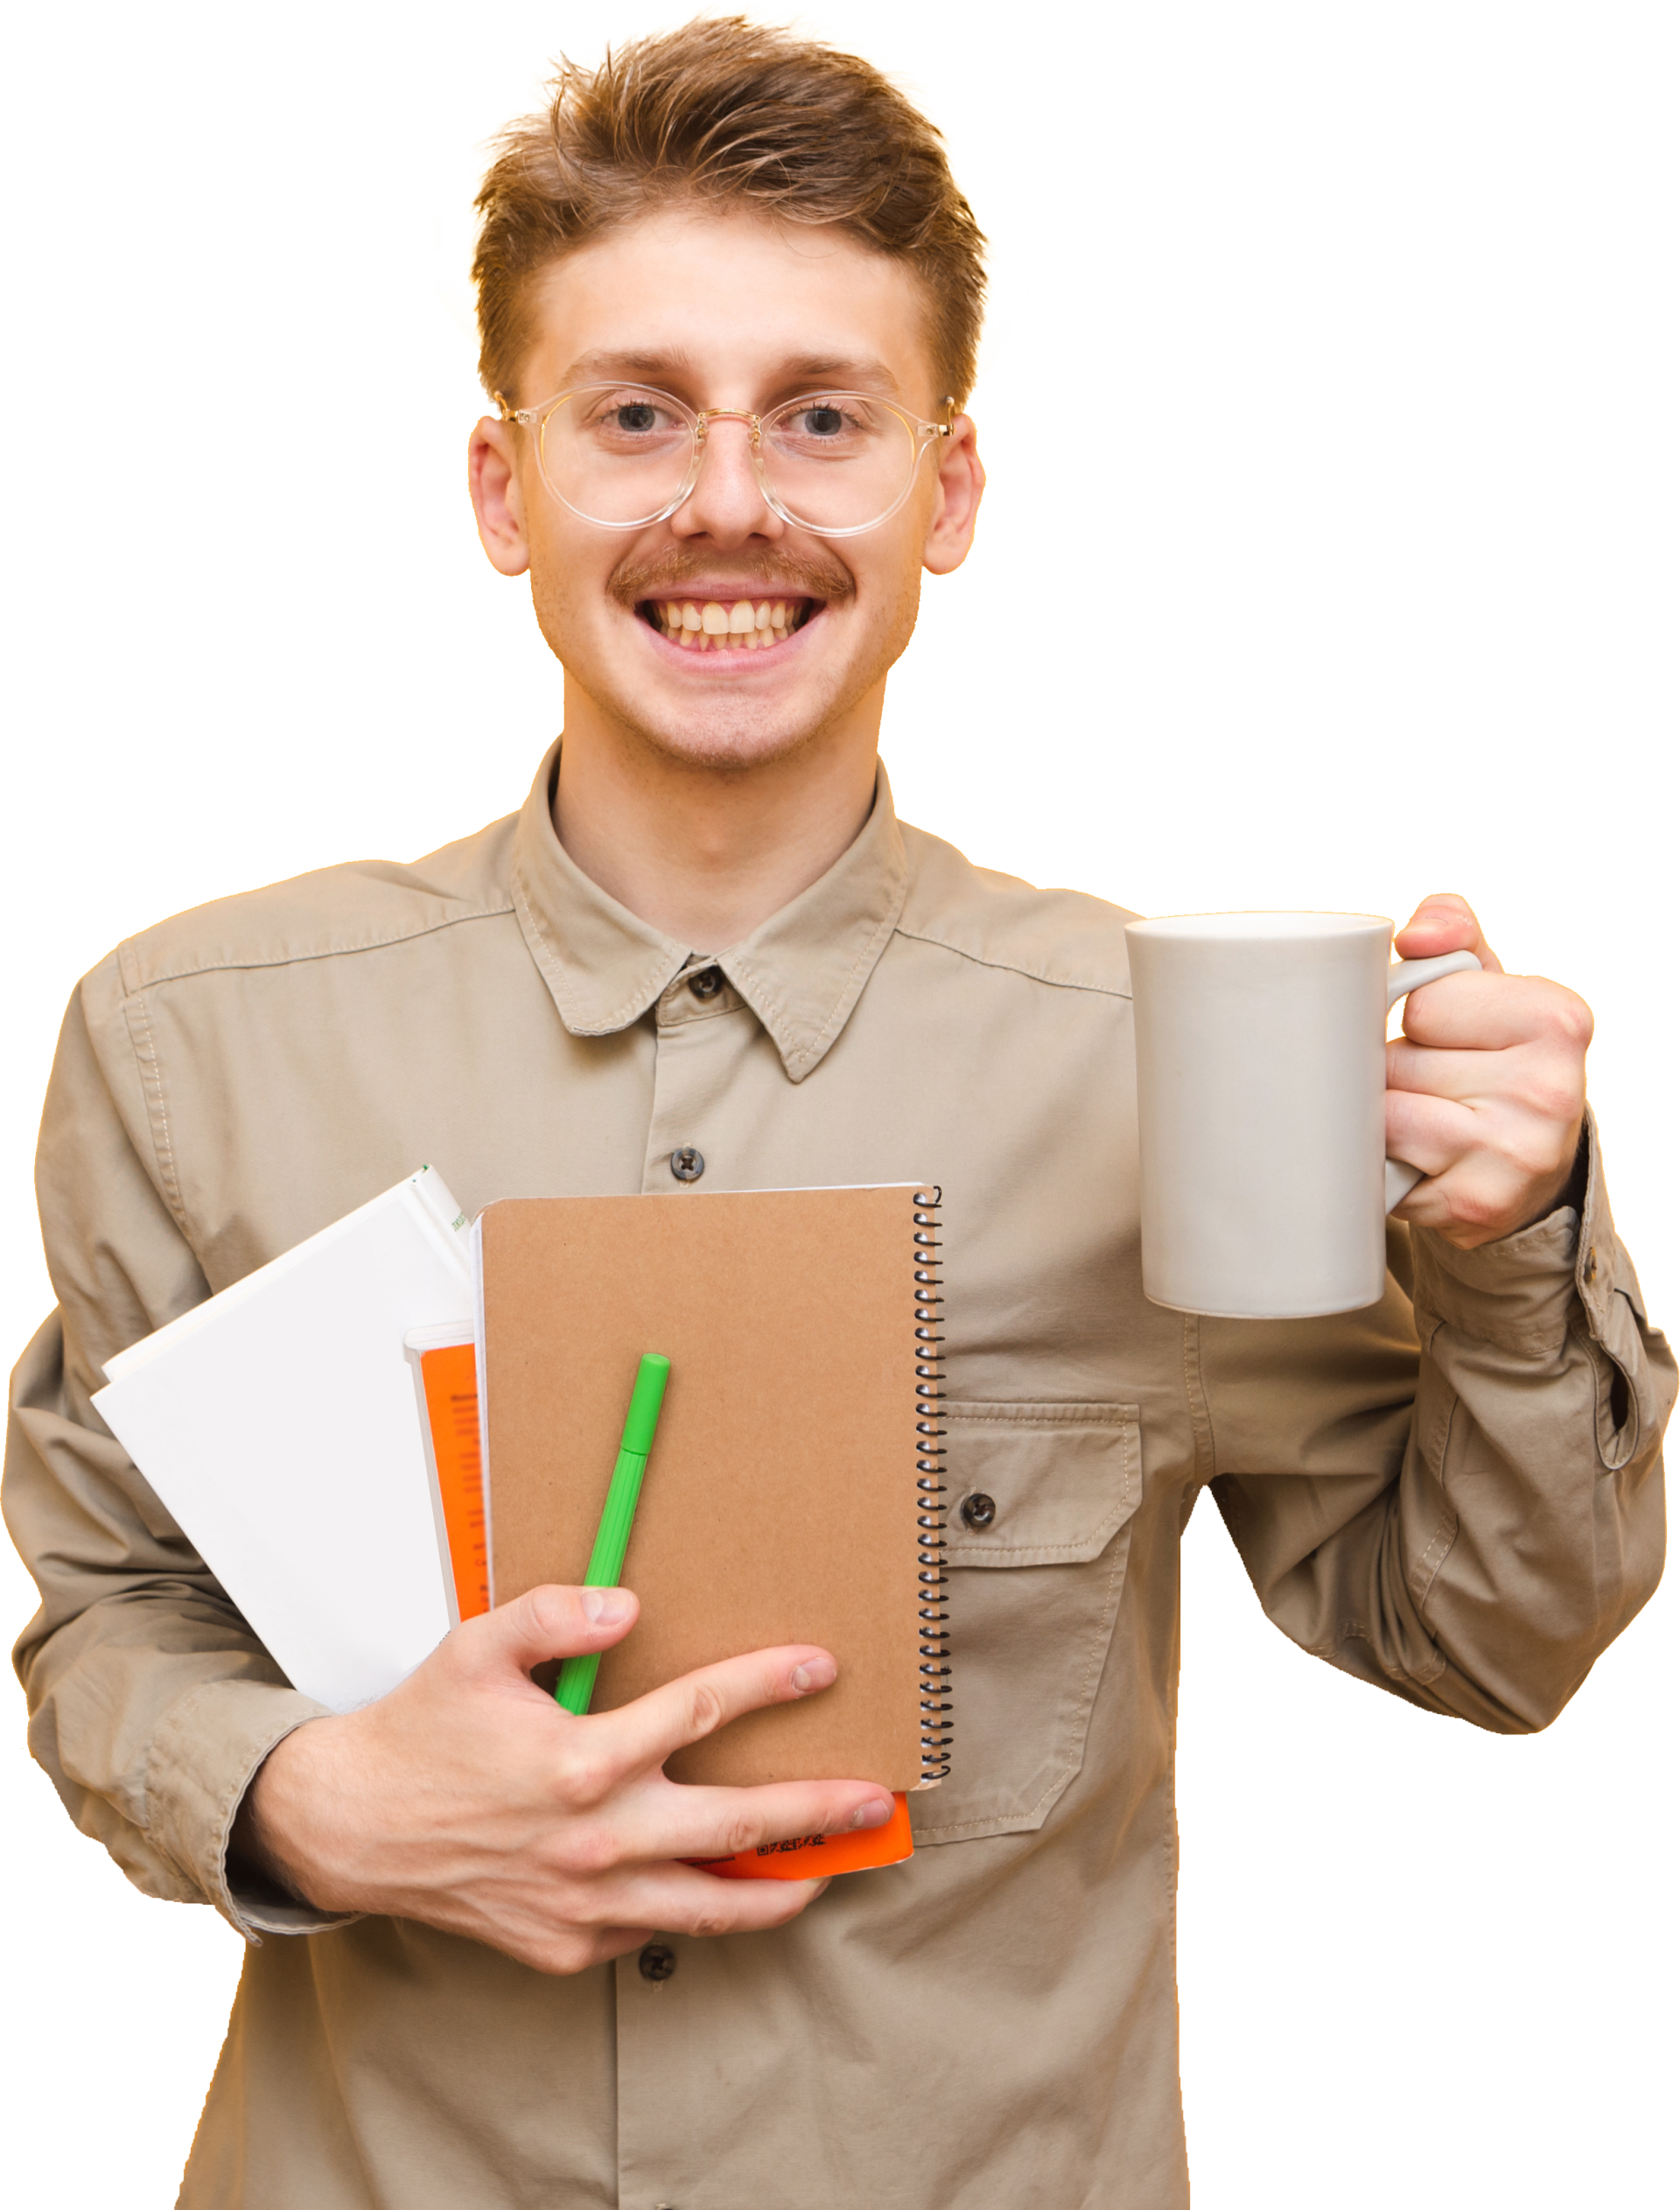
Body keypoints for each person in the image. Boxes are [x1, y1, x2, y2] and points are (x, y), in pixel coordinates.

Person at [4, 10, 1670, 2205]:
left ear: (948, 490)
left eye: (818, 418)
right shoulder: (187, 1032)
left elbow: (1487, 1643)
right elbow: (103, 1617)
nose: (725, 504)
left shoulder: (1172, 1053)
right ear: (505, 487)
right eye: (635, 414)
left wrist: (1512, 1243)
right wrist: (311, 1802)